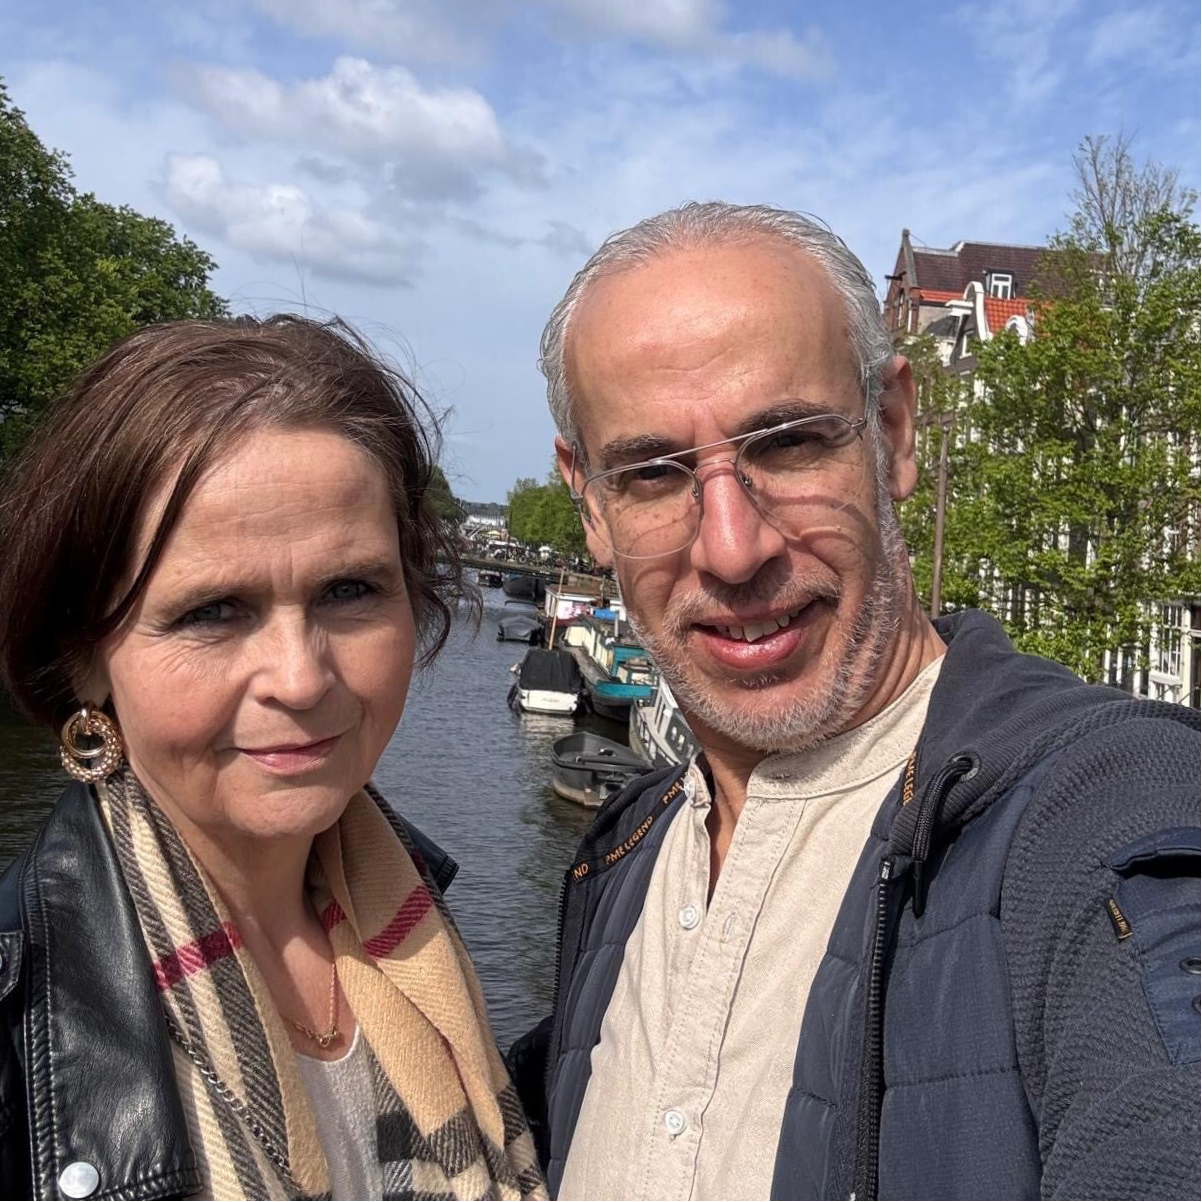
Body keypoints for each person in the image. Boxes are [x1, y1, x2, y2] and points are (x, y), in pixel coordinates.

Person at [509, 203, 1201, 1201]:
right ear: (588, 501)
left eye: (789, 443)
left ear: (893, 431)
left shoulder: (1107, 808)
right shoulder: (621, 855)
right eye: (652, 473)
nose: (732, 548)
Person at [0, 316, 547, 1202]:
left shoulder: (411, 915)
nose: (300, 679)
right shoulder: (16, 1037)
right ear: (83, 657)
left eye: (349, 590)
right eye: (213, 610)